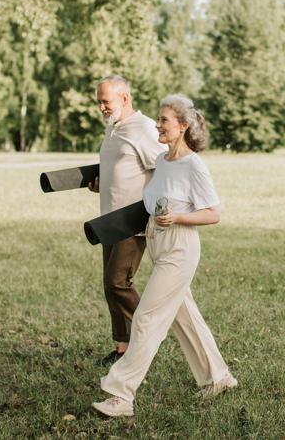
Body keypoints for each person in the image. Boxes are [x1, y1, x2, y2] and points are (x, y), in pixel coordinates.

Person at [92, 94, 237, 418]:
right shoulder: (162, 160)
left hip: (180, 249)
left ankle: (120, 395)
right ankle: (219, 378)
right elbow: (144, 192)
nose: (157, 125)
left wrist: (179, 218)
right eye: (158, 119)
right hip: (159, 245)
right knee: (186, 318)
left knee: (146, 317)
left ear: (183, 126)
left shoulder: (192, 165)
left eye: (164, 120)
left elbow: (213, 213)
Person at [89, 75, 166, 366]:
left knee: (117, 281)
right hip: (108, 218)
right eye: (98, 102)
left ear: (124, 98)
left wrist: (157, 210)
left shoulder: (144, 129)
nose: (101, 108)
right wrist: (101, 182)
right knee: (110, 284)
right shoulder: (113, 129)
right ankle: (123, 348)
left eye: (105, 101)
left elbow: (165, 169)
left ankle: (151, 335)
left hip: (132, 220)